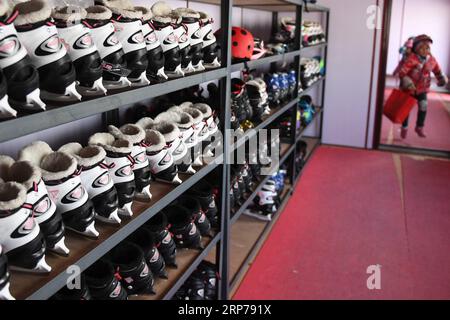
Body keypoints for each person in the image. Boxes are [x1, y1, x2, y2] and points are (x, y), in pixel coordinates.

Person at [398, 34, 448, 139]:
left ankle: (419, 127)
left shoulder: (431, 60)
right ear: (416, 49)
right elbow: (402, 72)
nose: (425, 50)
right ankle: (404, 127)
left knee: (423, 105)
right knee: (406, 109)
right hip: (409, 89)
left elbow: (437, 71)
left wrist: (442, 79)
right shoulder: (412, 59)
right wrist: (408, 82)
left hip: (422, 89)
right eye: (422, 47)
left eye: (427, 48)